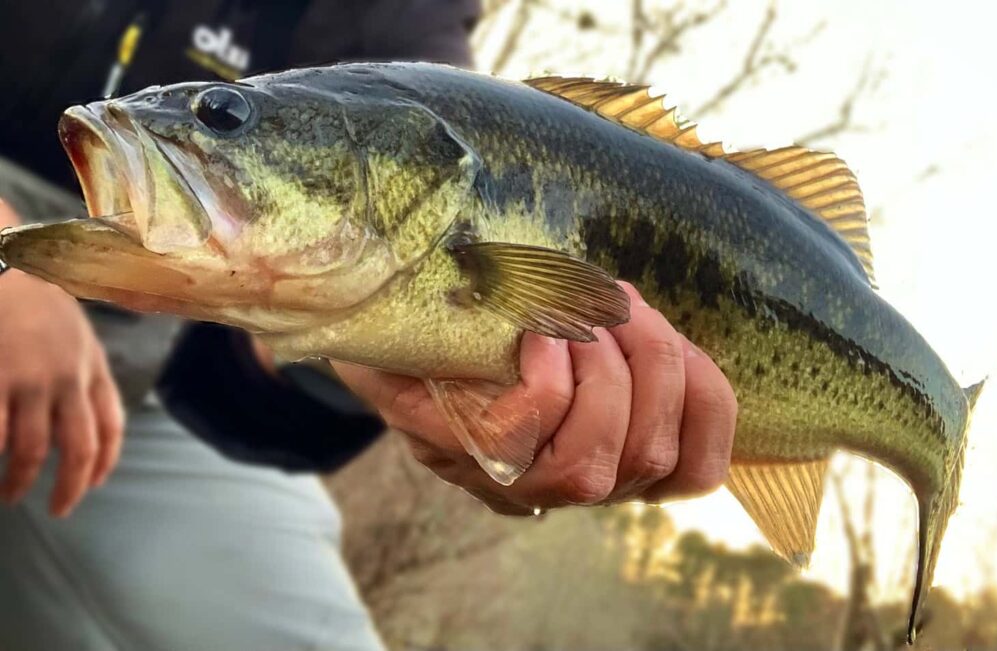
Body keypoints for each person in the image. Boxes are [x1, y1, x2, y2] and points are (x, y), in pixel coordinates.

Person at [0, 2, 737, 650]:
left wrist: (383, 365)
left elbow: (411, 209)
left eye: (223, 115)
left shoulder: (397, 21)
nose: (215, 122)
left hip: (145, 370)